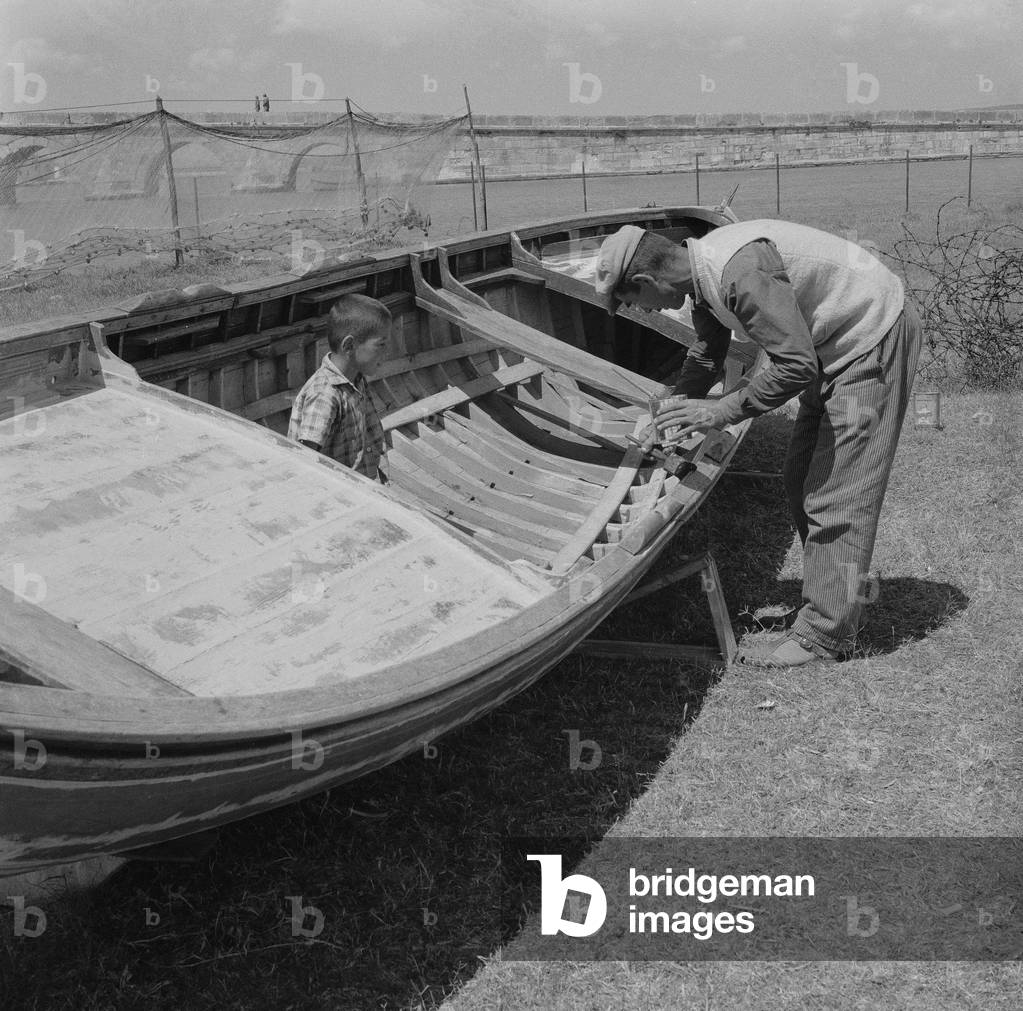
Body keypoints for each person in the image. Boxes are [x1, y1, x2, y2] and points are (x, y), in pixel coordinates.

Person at [593, 220, 922, 668]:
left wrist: (719, 411)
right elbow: (708, 353)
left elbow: (795, 366)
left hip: (870, 337)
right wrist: (674, 406)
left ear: (648, 281)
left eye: (635, 302)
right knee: (799, 478)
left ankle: (824, 637)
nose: (645, 313)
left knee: (835, 495)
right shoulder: (703, 276)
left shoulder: (738, 273)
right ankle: (829, 604)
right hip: (833, 346)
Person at [288, 294, 391, 482]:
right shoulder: (325, 394)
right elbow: (304, 460)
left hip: (362, 485)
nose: (387, 351)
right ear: (349, 345)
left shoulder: (356, 378)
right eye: (381, 344)